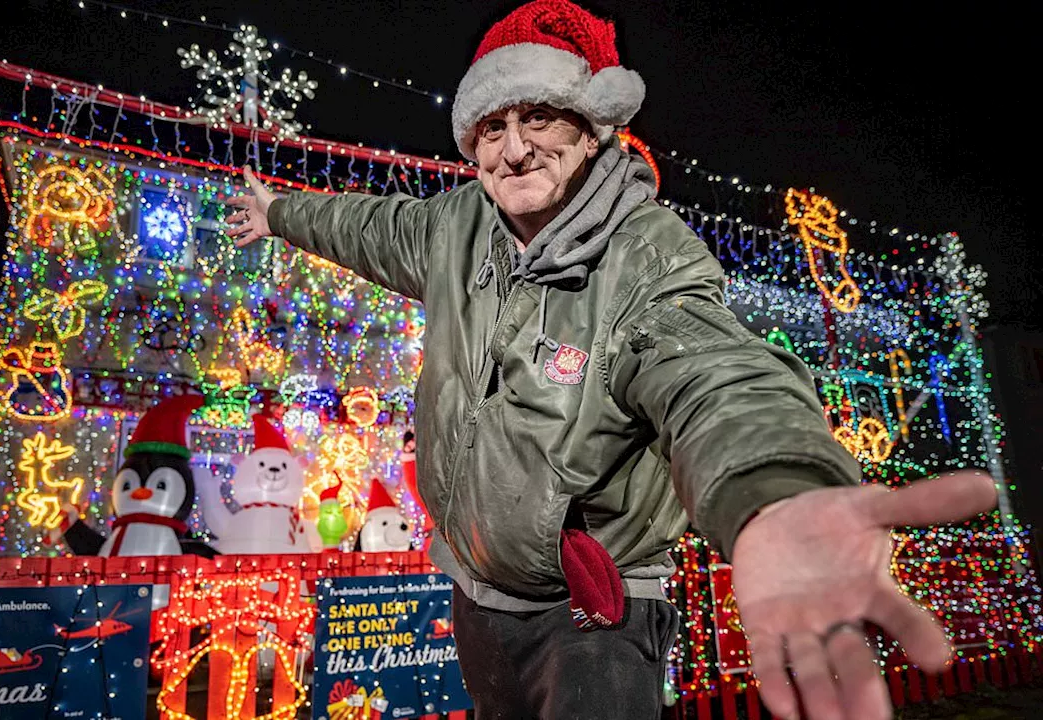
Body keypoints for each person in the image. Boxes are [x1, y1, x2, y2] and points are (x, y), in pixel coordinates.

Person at [225, 1, 997, 718]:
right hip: (476, 589)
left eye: (538, 116)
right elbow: (365, 225)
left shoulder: (648, 257)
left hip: (597, 608)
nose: (515, 145)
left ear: (592, 128)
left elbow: (713, 372)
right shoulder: (456, 225)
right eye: (491, 126)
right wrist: (280, 214)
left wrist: (772, 496)